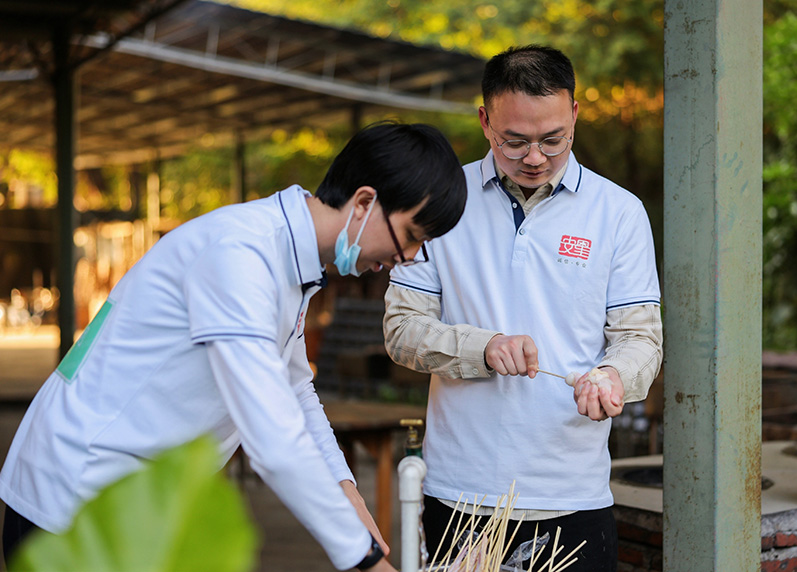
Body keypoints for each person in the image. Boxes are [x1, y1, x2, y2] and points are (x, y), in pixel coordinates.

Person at [0, 121, 467, 572]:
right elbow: (272, 436)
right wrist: (363, 559)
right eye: (411, 236)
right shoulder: (240, 255)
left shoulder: (293, 264)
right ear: (365, 202)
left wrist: (347, 494)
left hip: (136, 501)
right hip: (75, 497)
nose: (406, 258)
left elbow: (297, 393)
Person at [383, 46, 663, 572]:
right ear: (486, 121)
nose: (535, 156)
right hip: (462, 496)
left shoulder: (619, 213)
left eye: (552, 139)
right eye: (515, 141)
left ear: (575, 115)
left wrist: (613, 377)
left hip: (573, 497)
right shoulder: (441, 200)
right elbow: (402, 329)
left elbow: (641, 339)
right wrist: (482, 348)